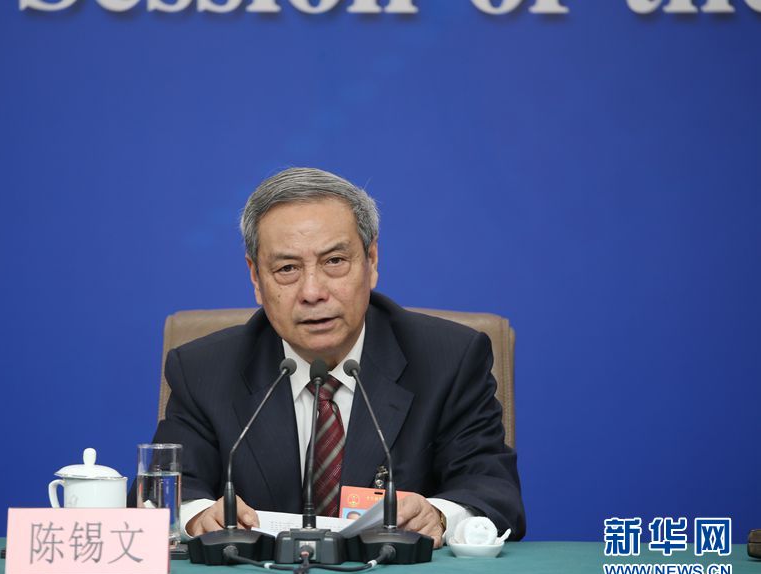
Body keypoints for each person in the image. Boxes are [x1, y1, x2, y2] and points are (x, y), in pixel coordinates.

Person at [135, 167, 525, 547]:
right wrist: (199, 516)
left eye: (334, 262)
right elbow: (161, 491)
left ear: (372, 261)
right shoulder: (204, 370)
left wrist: (439, 515)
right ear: (256, 278)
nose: (312, 292)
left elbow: (492, 489)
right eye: (287, 268)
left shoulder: (448, 360)